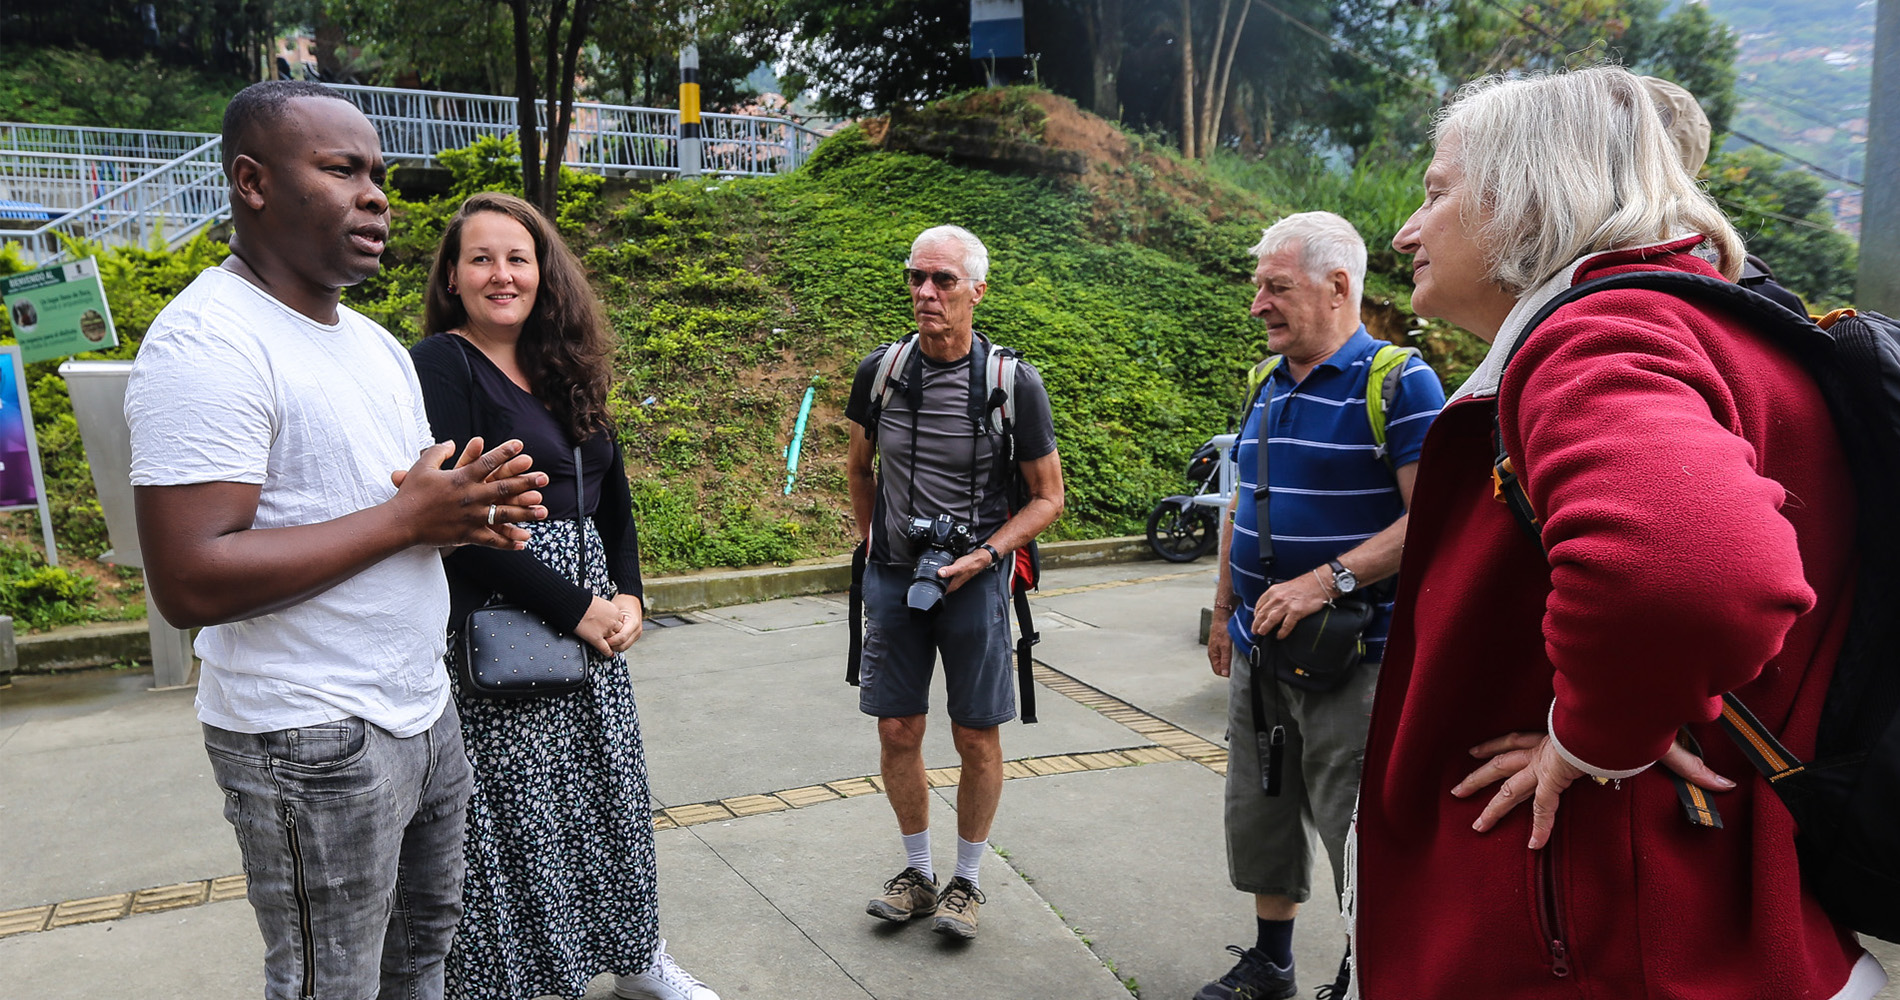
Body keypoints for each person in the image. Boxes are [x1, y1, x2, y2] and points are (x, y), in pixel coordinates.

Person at [1355, 65, 1885, 997]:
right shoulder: (1724, 324)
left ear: (1529, 197)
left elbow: (1696, 577)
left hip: (1607, 940)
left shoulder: (1598, 333)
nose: (1407, 229)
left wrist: (1594, 738)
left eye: (1437, 192)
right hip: (1717, 915)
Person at [126, 81, 550, 1000]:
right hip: (308, 734)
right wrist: (409, 520)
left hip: (422, 709)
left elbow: (394, 509)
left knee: (420, 964)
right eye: (341, 169)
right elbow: (191, 579)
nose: (375, 195)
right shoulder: (209, 345)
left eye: (379, 174)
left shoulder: (371, 344)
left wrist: (467, 512)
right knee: (331, 985)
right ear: (253, 181)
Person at [409, 192, 717, 1000]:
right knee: (518, 814)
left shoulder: (562, 363)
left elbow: (612, 497)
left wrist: (629, 595)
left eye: (518, 257)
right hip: (503, 613)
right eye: (480, 258)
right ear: (452, 274)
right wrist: (577, 609)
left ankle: (636, 956)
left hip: (591, 610)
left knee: (607, 794)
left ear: (543, 272)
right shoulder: (443, 364)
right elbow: (463, 520)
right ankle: (519, 980)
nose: (501, 274)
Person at [1197, 212, 1443, 1000]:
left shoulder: (1400, 382)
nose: (1256, 305)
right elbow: (1245, 498)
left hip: (1352, 656)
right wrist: (1224, 598)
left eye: (1276, 287)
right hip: (1260, 645)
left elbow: (1435, 519)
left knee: (1353, 831)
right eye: (1257, 287)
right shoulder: (1264, 383)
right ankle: (1272, 962)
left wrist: (1326, 579)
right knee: (1262, 812)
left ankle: (1367, 972)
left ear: (1339, 287)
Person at [844, 224, 1064, 940]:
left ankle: (966, 882)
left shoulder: (1011, 382)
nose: (925, 293)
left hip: (976, 582)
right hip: (893, 578)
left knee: (975, 735)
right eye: (916, 278)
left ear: (977, 290)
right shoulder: (881, 371)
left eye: (941, 281)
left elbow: (1047, 497)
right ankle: (916, 872)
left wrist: (986, 555)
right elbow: (857, 467)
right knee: (898, 726)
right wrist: (871, 540)